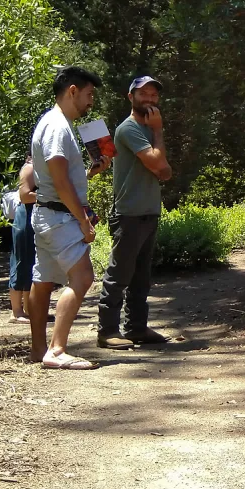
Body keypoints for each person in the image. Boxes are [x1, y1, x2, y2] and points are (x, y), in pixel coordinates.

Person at [27, 66, 110, 369]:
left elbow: (58, 178)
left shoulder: (54, 123)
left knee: (44, 279)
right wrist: (83, 220)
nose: (91, 103)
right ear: (72, 91)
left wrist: (90, 173)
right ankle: (57, 350)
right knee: (83, 277)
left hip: (48, 214)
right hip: (60, 218)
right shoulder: (57, 126)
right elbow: (60, 182)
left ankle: (39, 349)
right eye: (89, 95)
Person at [98, 75, 173, 348]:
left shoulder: (148, 130)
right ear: (131, 97)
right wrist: (158, 132)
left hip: (149, 211)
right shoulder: (129, 129)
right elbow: (157, 162)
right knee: (119, 275)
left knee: (141, 277)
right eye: (144, 94)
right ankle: (107, 332)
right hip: (129, 213)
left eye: (154, 95)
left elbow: (165, 172)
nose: (150, 99)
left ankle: (136, 328)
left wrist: (157, 154)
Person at [5, 155, 37, 323]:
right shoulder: (29, 168)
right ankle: (16, 312)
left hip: (33, 219)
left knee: (31, 263)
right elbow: (25, 196)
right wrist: (52, 196)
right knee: (20, 262)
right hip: (25, 219)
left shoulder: (40, 167)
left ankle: (27, 310)